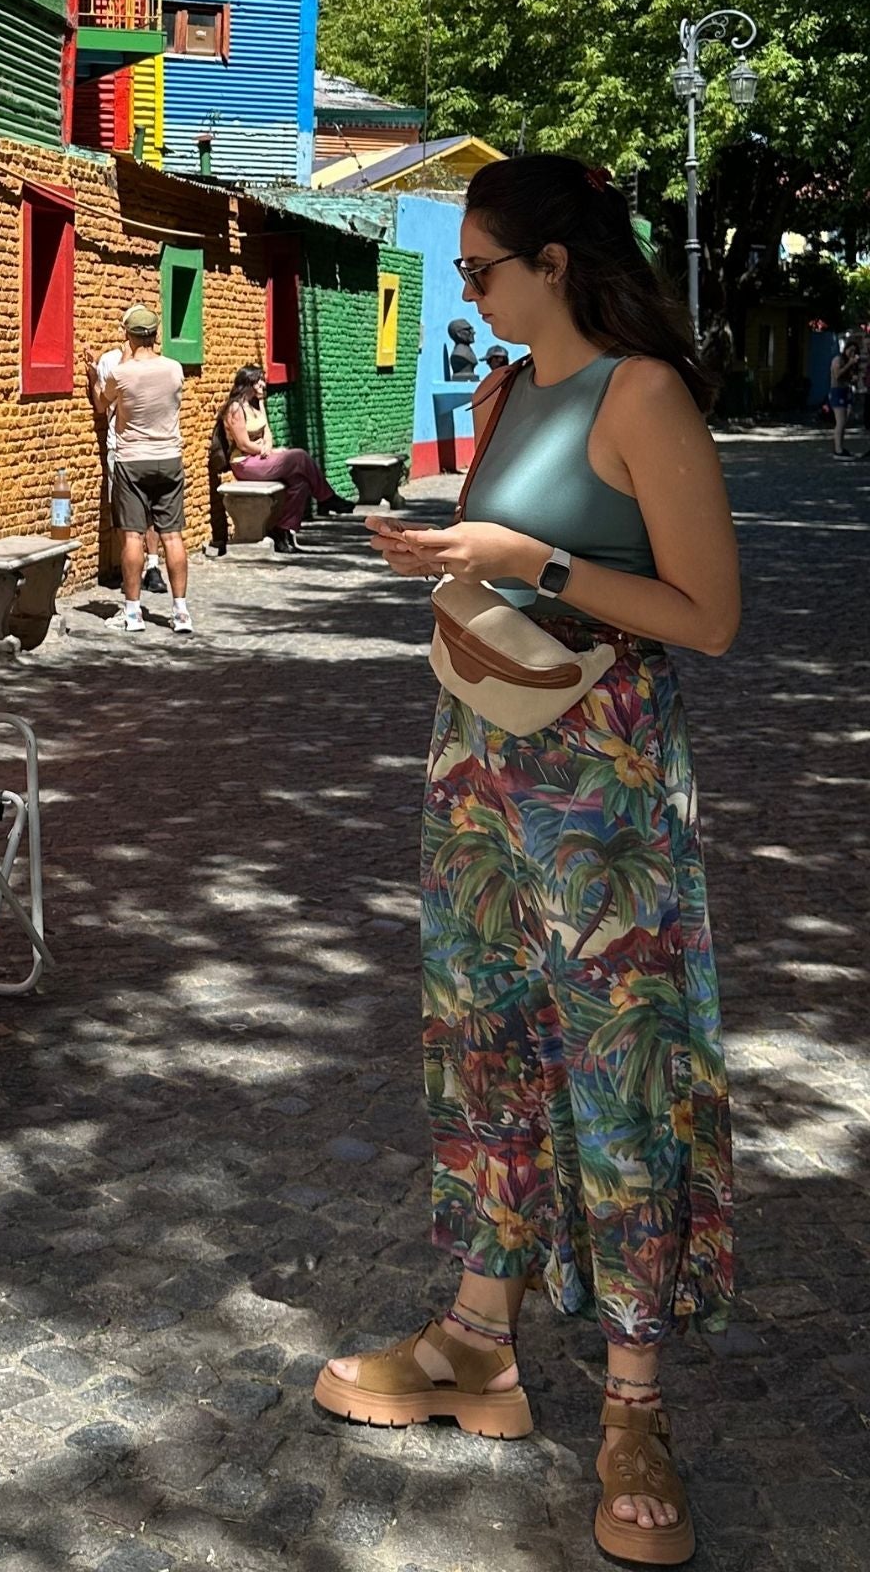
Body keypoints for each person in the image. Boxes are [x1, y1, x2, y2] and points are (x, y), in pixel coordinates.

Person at [318, 156, 740, 1569]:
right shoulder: (501, 397)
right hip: (479, 755)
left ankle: (634, 1403)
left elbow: (710, 615)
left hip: (602, 773)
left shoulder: (642, 395)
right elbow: (498, 564)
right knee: (485, 1037)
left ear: (555, 263)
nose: (468, 290)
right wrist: (446, 558)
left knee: (621, 1060)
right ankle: (478, 1345)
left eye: (483, 266)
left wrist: (534, 561)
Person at [96, 306, 191, 633]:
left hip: (132, 459)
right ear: (154, 333)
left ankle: (133, 613)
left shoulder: (121, 373)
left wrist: (113, 367)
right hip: (168, 458)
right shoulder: (175, 368)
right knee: (172, 534)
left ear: (128, 334)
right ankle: (180, 613)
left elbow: (101, 402)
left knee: (133, 536)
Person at [219, 367, 354, 552]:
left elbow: (267, 431)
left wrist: (269, 446)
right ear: (248, 382)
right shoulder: (235, 408)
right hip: (245, 463)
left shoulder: (257, 403)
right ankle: (327, 498)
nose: (263, 384)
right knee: (299, 456)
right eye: (259, 380)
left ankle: (282, 529)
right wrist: (266, 451)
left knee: (301, 483)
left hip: (262, 458)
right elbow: (243, 445)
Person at [86, 341, 164, 594]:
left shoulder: (126, 363)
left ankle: (144, 569)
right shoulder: (155, 365)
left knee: (131, 514)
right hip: (141, 448)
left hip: (129, 449)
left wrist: (94, 376)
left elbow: (101, 402)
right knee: (139, 512)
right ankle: (145, 568)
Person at [828, 331, 862, 458]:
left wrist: (853, 378)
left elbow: (848, 378)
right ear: (846, 349)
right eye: (850, 350)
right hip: (837, 391)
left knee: (845, 422)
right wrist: (849, 364)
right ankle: (837, 449)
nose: (852, 353)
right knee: (840, 422)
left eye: (854, 351)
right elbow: (837, 375)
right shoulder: (838, 360)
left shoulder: (851, 363)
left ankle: (841, 447)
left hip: (845, 391)